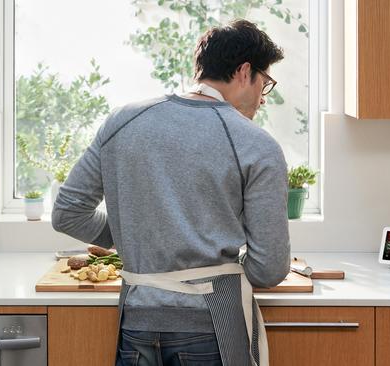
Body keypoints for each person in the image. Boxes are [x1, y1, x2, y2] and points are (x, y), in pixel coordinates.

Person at [52, 19, 290, 366]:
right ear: (243, 72)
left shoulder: (122, 121)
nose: (262, 98)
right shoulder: (255, 144)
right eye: (264, 83)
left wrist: (136, 238)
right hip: (212, 326)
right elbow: (269, 269)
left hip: (137, 321)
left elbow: (68, 212)